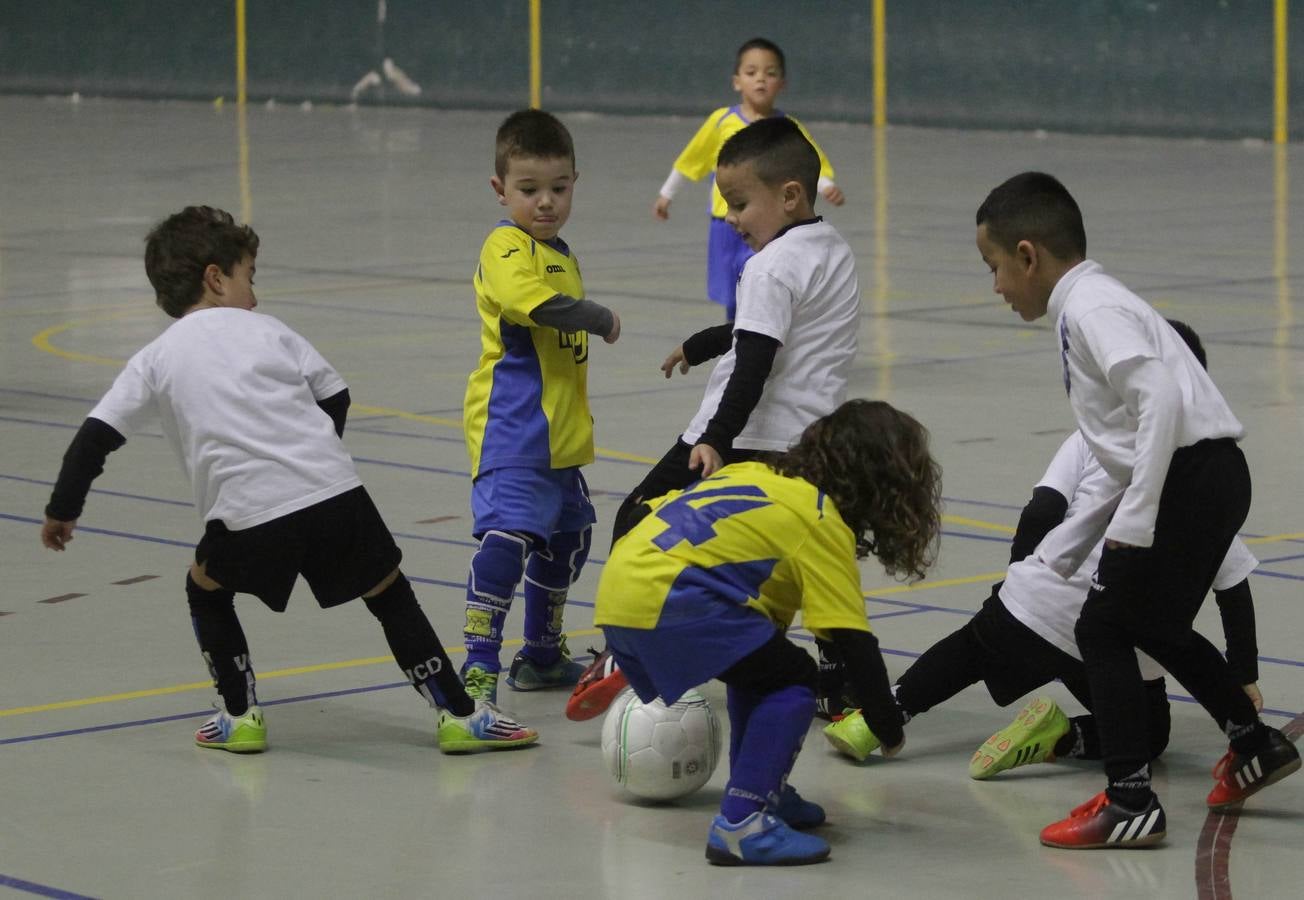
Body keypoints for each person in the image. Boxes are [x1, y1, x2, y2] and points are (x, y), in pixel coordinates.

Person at [39, 206, 537, 755]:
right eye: (249, 277)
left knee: (204, 588)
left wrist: (64, 508)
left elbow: (96, 435)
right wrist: (314, 461)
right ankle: (458, 714)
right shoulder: (271, 331)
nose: (254, 294)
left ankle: (239, 714)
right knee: (388, 593)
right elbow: (335, 395)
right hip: (334, 493)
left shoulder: (155, 358)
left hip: (247, 514)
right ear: (215, 277)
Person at [975, 171, 1298, 849]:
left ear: (1028, 255)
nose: (996, 286)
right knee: (1154, 623)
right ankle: (1254, 742)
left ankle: (1129, 800)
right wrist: (1062, 551)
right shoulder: (1091, 303)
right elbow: (1122, 449)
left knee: (1103, 627)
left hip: (1191, 476)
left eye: (996, 267)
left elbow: (1159, 400)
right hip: (1211, 474)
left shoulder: (1089, 308)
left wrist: (1139, 515)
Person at [823, 321, 1264, 780]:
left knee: (973, 648)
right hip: (1122, 637)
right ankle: (1059, 735)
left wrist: (1017, 581)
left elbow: (1042, 511)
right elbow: (1233, 586)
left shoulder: (1092, 437)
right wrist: (1243, 674)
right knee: (1149, 735)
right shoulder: (1199, 471)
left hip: (1042, 601)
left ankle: (880, 718)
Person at [566, 115, 860, 721]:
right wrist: (701, 345)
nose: (730, 217)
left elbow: (755, 358)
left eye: (739, 203)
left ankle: (625, 653)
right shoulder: (830, 249)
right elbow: (768, 330)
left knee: (638, 518)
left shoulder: (769, 266)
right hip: (810, 443)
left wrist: (716, 438)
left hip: (745, 432)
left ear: (789, 195)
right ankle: (835, 682)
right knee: (802, 562)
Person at [594, 399, 943, 866]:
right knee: (795, 680)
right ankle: (741, 825)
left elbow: (646, 512)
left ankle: (760, 791)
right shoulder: (819, 517)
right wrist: (886, 722)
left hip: (620, 590)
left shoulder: (754, 474)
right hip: (673, 599)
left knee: (761, 670)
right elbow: (852, 641)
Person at [459, 109, 622, 705]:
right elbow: (537, 306)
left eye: (558, 188)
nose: (546, 202)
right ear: (501, 190)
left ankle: (542, 653)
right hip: (514, 431)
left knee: (570, 540)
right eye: (529, 190)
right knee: (508, 541)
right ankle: (479, 665)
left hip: (560, 438)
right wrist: (599, 318)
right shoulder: (505, 246)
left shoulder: (559, 249)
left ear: (575, 181)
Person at [652, 37, 845, 321]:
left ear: (782, 83)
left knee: (766, 285)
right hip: (726, 225)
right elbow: (691, 158)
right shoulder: (721, 120)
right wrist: (667, 194)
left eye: (771, 73)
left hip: (769, 225)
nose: (761, 80)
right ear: (736, 81)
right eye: (751, 72)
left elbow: (810, 159)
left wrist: (826, 185)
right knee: (734, 292)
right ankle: (737, 338)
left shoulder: (787, 128)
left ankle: (767, 337)